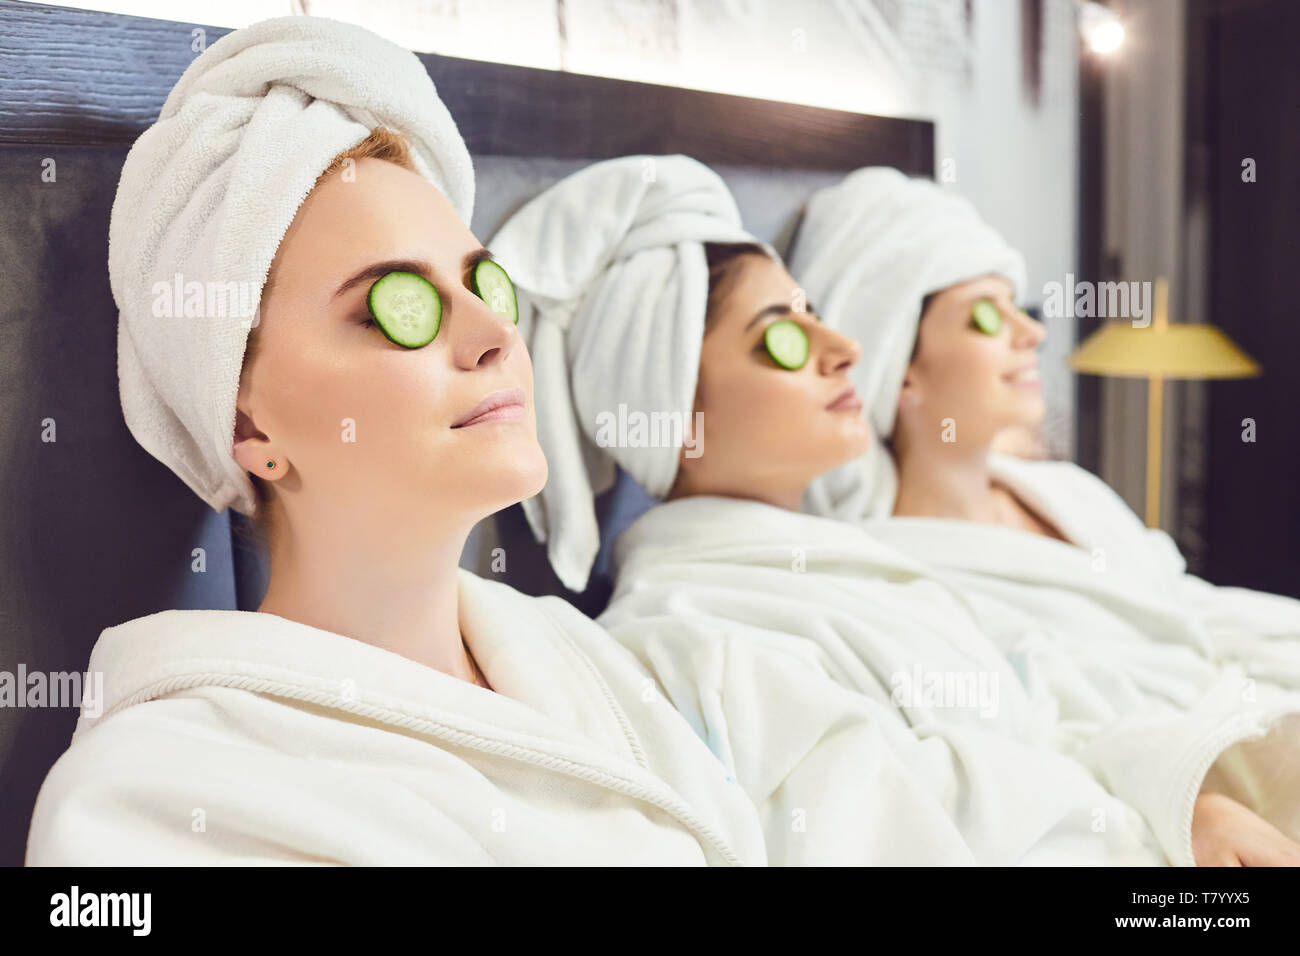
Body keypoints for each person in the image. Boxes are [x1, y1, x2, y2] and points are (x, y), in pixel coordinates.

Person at [25, 17, 765, 867]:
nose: (493, 330)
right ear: (248, 426)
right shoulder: (158, 800)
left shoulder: (583, 659)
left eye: (482, 279)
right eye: (396, 302)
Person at [489, 154, 1241, 866]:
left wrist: (1186, 801)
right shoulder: (693, 638)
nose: (843, 347)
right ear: (674, 413)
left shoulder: (852, 570)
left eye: (812, 311)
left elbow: (1052, 706)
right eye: (780, 338)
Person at [786, 166, 1300, 866]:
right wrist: (1188, 799)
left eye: (1018, 305)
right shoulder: (891, 577)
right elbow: (1025, 745)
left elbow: (1186, 605)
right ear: (898, 365)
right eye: (987, 315)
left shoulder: (1065, 491)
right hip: (1197, 792)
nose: (1029, 331)